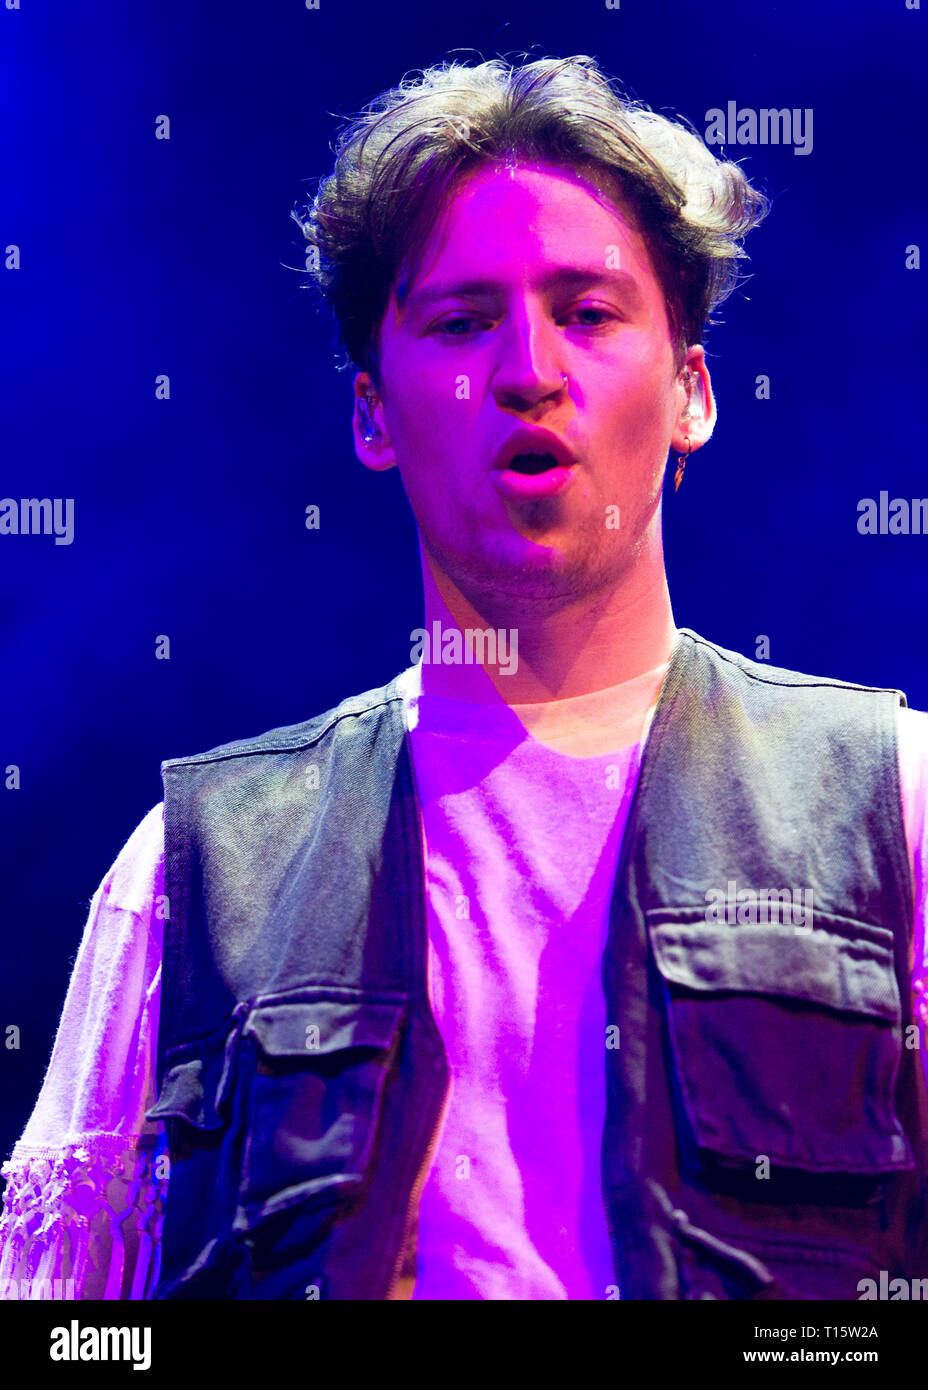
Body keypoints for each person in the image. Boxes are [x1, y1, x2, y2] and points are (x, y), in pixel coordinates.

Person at [2, 53, 928, 1302]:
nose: (527, 370)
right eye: (460, 321)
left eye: (589, 313)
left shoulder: (896, 804)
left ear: (692, 390)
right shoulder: (191, 870)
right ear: (373, 414)